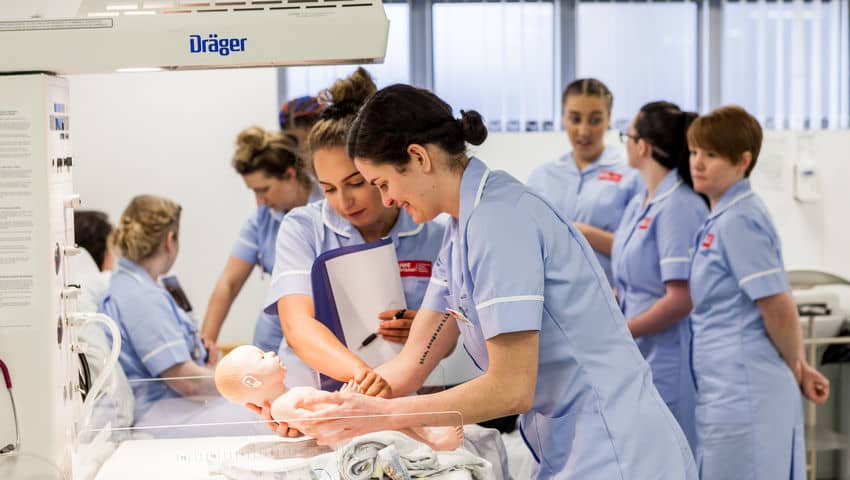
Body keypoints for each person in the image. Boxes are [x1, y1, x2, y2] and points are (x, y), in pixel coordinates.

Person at [282, 84, 697, 479]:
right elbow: (412, 363)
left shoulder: (499, 220)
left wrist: (384, 415)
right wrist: (335, 405)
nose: (386, 200)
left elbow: (511, 388)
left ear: (419, 158)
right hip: (574, 444)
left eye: (382, 184)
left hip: (616, 449)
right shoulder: (460, 230)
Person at [263, 68, 453, 406]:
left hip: (396, 400)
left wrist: (424, 332)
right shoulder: (303, 228)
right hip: (312, 398)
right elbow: (297, 327)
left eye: (356, 183)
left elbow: (449, 336)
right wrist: (365, 378)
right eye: (329, 189)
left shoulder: (434, 234)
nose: (344, 202)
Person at [687, 105, 829, 479]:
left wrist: (798, 367)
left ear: (743, 161)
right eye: (694, 152)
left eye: (711, 155)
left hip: (747, 388)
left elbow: (778, 306)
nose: (698, 163)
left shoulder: (740, 219)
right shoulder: (722, 217)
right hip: (728, 387)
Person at [611, 101, 707, 453]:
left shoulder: (679, 204)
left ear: (643, 146)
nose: (625, 143)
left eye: (627, 136)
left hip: (669, 358)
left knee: (669, 456)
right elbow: (632, 282)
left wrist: (622, 331)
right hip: (639, 353)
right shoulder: (641, 201)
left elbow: (681, 298)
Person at [201, 127, 323, 363]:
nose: (259, 201)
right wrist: (205, 346)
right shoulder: (262, 219)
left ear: (290, 175)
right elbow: (229, 283)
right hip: (271, 340)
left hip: (319, 337)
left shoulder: (329, 209)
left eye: (264, 190)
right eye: (254, 192)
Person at [215, 345, 463, 450]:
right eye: (262, 357)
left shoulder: (286, 397)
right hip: (347, 431)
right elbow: (315, 421)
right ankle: (434, 443)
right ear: (252, 382)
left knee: (394, 415)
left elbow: (314, 413)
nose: (271, 353)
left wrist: (343, 400)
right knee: (394, 425)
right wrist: (343, 400)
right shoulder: (280, 407)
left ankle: (429, 435)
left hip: (347, 421)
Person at [100, 195, 213, 420]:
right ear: (170, 240)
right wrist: (238, 381)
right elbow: (188, 382)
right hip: (163, 415)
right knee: (260, 421)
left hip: (170, 410)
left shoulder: (131, 284)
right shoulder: (142, 297)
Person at [527, 78, 640, 285]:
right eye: (575, 119)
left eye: (595, 120)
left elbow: (640, 253)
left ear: (608, 119)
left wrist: (583, 233)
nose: (584, 131)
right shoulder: (542, 176)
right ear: (563, 118)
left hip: (610, 296)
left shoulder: (631, 174)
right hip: (553, 299)